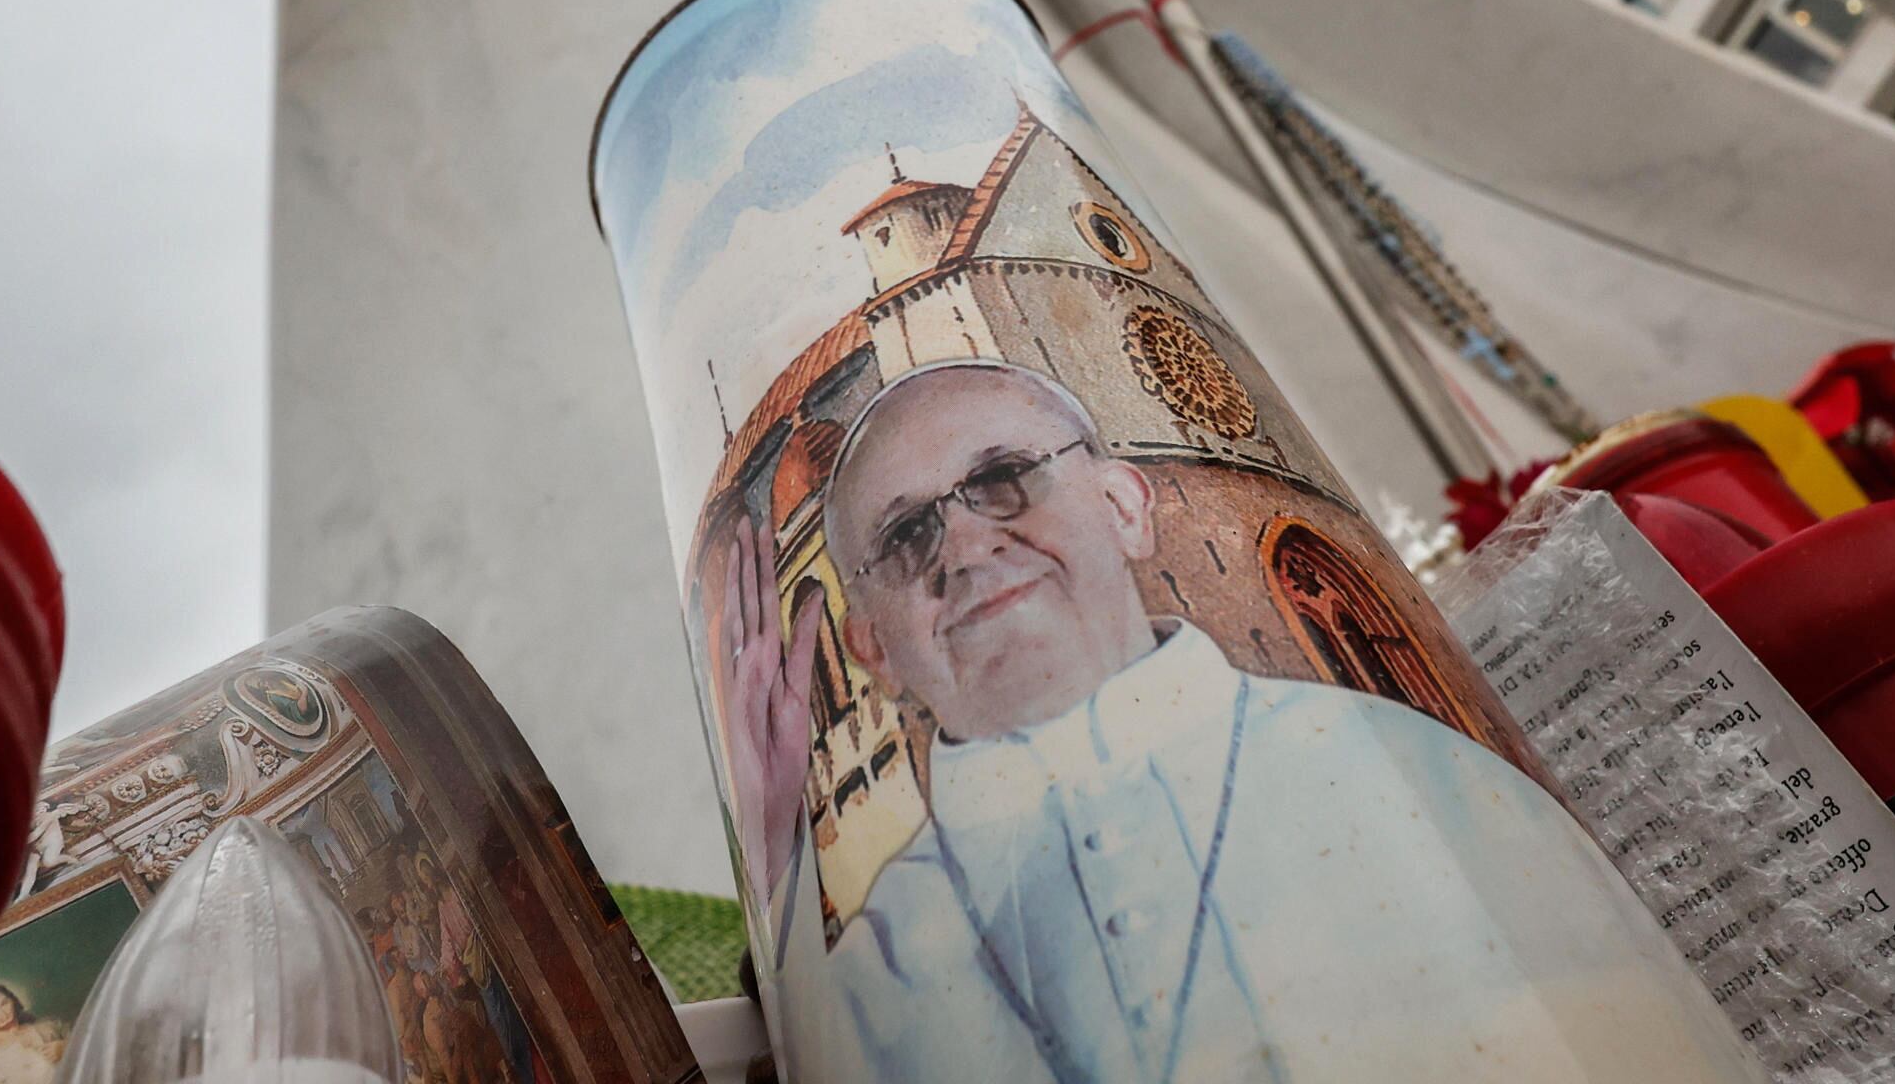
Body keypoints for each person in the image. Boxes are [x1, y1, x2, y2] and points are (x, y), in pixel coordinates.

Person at [724, 359, 1748, 1084]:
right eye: (906, 533)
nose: (963, 543)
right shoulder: (864, 983)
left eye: (1002, 479)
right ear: (873, 649)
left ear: (1125, 503)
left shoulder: (1422, 771)